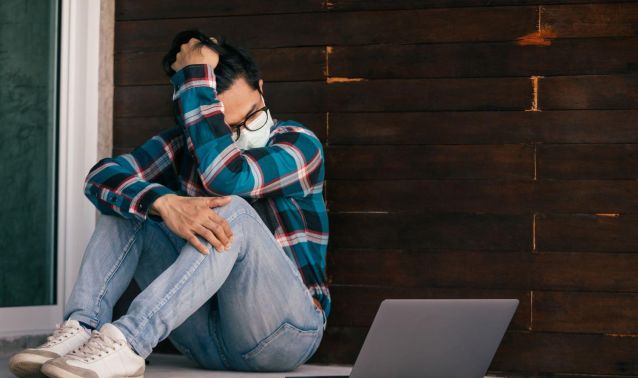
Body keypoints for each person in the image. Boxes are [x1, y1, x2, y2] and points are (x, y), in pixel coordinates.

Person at [8, 29, 330, 378]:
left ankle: (129, 343)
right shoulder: (185, 143)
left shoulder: (299, 145)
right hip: (203, 339)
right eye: (224, 128)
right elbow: (100, 178)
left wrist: (196, 77)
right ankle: (81, 328)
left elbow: (228, 176)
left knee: (232, 209)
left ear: (262, 90)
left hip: (284, 334)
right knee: (129, 203)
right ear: (202, 118)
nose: (240, 134)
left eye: (251, 117)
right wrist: (162, 201)